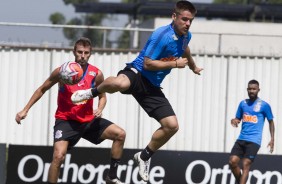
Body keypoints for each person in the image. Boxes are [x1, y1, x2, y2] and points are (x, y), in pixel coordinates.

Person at [71, 1, 203, 182]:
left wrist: (193, 67)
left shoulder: (186, 36)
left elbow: (185, 49)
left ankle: (144, 156)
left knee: (172, 126)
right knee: (119, 83)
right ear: (174, 16)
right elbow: (148, 63)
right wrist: (175, 64)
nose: (187, 24)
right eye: (184, 19)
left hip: (152, 87)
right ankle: (91, 92)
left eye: (191, 21)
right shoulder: (161, 34)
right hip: (138, 73)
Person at [15, 37, 126, 184]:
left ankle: (111, 176)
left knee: (120, 134)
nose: (82, 55)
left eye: (86, 52)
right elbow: (42, 89)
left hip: (87, 120)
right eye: (79, 52)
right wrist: (25, 110)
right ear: (74, 52)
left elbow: (103, 97)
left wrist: (99, 108)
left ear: (90, 54)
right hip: (66, 121)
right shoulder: (62, 72)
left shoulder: (96, 74)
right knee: (58, 157)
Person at [229, 79, 275, 184]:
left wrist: (272, 139)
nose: (251, 91)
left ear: (258, 90)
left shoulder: (264, 105)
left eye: (254, 89)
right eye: (250, 89)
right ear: (247, 90)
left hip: (254, 141)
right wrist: (234, 120)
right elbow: (237, 119)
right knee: (232, 162)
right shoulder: (243, 104)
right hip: (241, 139)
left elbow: (271, 122)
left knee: (245, 164)